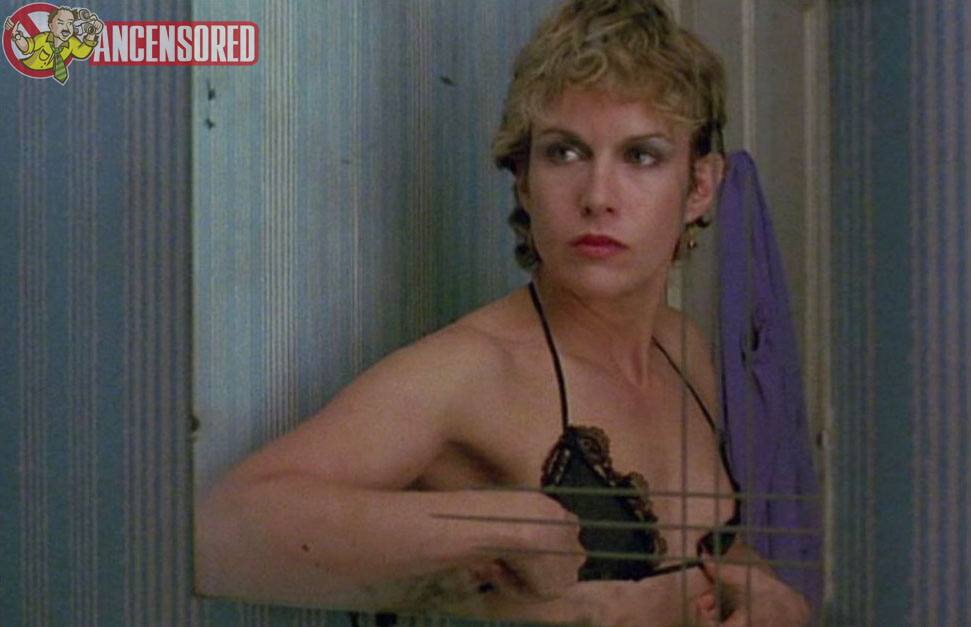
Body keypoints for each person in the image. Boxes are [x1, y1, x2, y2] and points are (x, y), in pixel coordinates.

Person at [195, 1, 810, 624]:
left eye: (641, 156)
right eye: (564, 153)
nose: (598, 196)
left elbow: (704, 544)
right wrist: (491, 527)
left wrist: (764, 593)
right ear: (524, 181)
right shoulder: (472, 369)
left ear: (699, 187)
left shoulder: (682, 347)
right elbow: (220, 532)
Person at [4, 7, 103, 84]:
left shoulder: (72, 42)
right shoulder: (43, 38)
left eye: (70, 24)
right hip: (26, 73)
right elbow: (26, 47)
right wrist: (16, 35)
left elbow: (82, 52)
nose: (66, 28)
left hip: (50, 83)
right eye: (60, 23)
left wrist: (92, 32)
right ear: (51, 26)